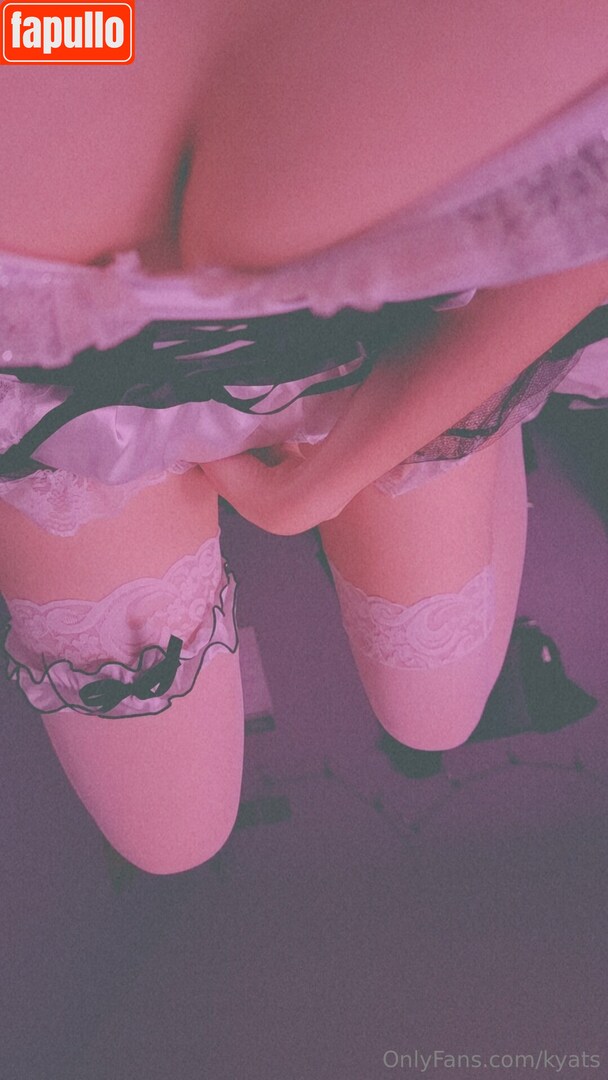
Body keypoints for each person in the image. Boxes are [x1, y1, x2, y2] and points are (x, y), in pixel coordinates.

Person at [1, 0, 607, 874]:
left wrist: (326, 482)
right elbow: (80, 33)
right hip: (68, 414)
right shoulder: (61, 25)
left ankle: (464, 428)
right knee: (171, 840)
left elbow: (585, 236)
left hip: (386, 357)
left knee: (434, 714)